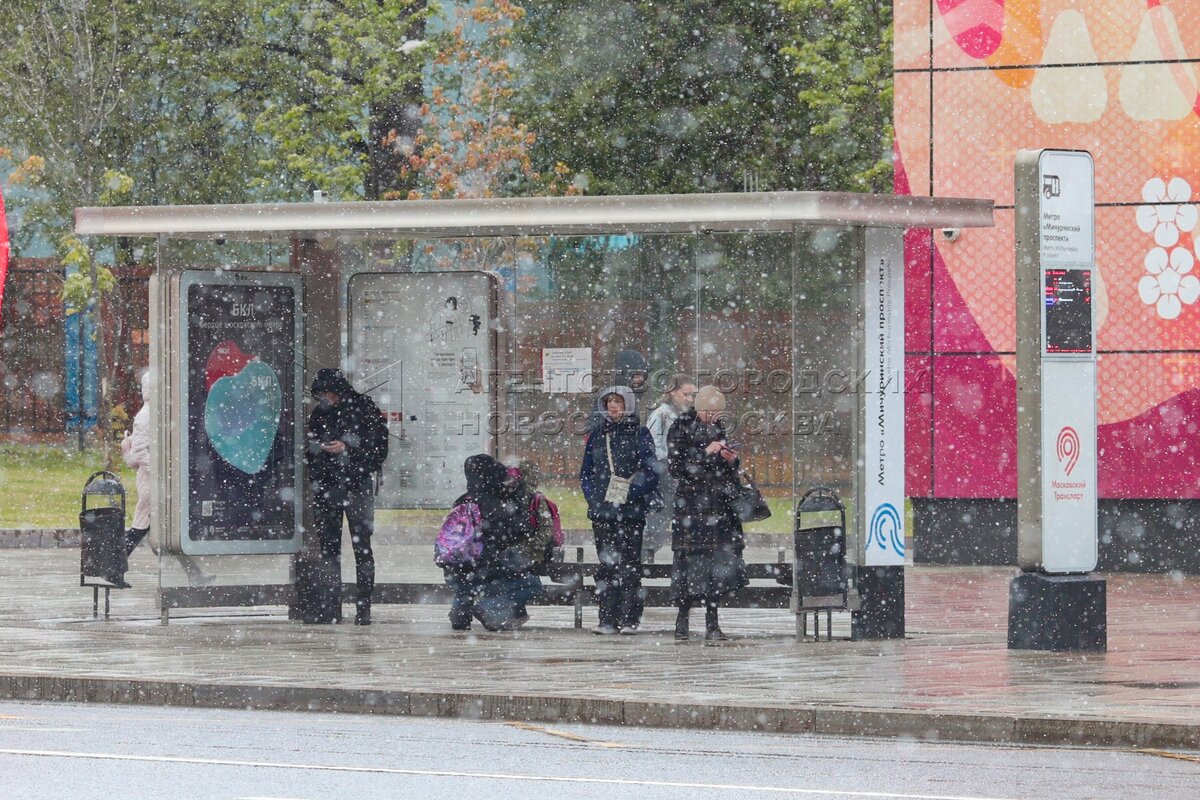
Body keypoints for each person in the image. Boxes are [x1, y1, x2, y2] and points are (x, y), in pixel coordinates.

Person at [305, 368, 388, 626]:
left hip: (356, 486)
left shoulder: (364, 409)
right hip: (328, 487)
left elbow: (378, 448)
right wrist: (320, 452)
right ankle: (331, 607)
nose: (324, 398)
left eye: (327, 393)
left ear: (338, 390)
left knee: (361, 548)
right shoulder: (319, 414)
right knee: (329, 549)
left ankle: (363, 608)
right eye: (320, 394)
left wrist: (348, 447)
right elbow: (309, 449)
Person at [667, 385, 747, 641]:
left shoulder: (719, 429)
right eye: (710, 412)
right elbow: (676, 468)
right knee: (687, 565)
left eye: (717, 413)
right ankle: (682, 620)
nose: (713, 417)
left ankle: (712, 622)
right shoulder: (681, 427)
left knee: (715, 567)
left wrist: (731, 460)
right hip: (691, 509)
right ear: (700, 408)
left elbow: (726, 472)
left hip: (717, 508)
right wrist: (705, 453)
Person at [119, 370, 210, 588]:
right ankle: (112, 567)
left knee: (160, 530)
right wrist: (161, 473)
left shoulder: (157, 414)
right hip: (152, 484)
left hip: (157, 482)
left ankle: (195, 575)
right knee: (149, 529)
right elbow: (140, 453)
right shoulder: (145, 417)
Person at [579, 386, 658, 635]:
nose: (613, 406)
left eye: (618, 402)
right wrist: (594, 498)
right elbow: (586, 473)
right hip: (603, 512)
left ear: (628, 405)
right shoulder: (597, 435)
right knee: (606, 565)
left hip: (631, 512)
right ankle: (607, 618)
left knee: (630, 565)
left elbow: (651, 472)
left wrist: (630, 493)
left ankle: (629, 618)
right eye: (609, 402)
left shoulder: (640, 434)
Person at [444, 454, 542, 632]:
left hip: (455, 568)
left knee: (465, 578)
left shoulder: (462, 501)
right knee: (533, 584)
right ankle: (487, 607)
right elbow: (520, 530)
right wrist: (518, 494)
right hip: (485, 570)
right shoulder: (496, 504)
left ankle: (460, 613)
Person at [643, 374, 697, 559]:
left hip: (682, 476)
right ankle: (644, 558)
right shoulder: (661, 415)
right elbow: (652, 445)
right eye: (685, 394)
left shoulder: (688, 417)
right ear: (672, 392)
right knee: (658, 522)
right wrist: (666, 468)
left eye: (692, 395)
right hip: (666, 476)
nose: (690, 399)